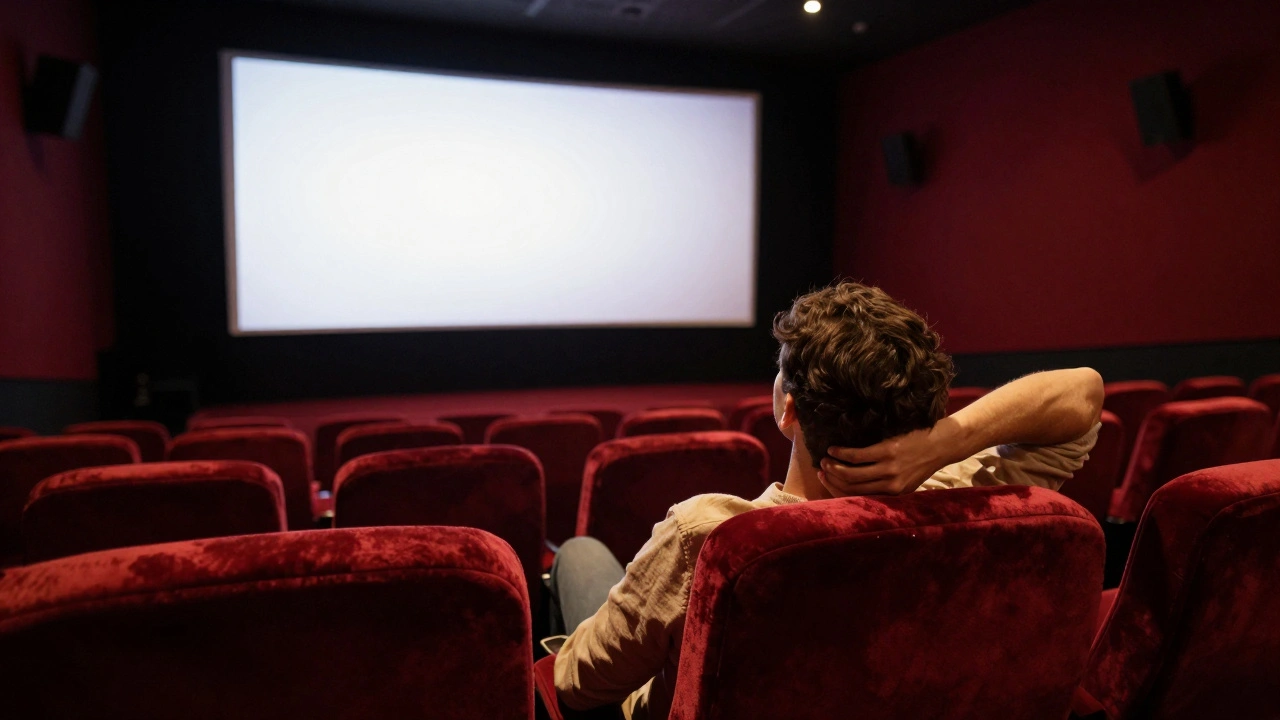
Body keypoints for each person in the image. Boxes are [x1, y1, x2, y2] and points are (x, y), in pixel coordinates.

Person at [549, 281, 1103, 720]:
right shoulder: (972, 505)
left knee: (578, 554)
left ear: (788, 411)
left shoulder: (714, 537)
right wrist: (946, 443)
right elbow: (1084, 393)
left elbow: (577, 685)